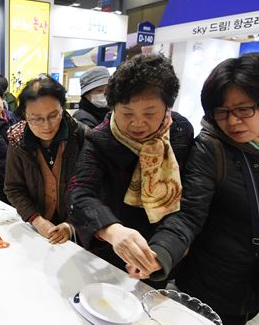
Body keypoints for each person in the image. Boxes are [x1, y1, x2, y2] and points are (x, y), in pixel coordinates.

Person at [145, 53, 259, 325]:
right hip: (212, 284)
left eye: (243, 109)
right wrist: (160, 253)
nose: (231, 121)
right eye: (221, 111)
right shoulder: (211, 148)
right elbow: (188, 214)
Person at [67, 54, 193, 279]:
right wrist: (112, 230)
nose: (137, 123)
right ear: (113, 106)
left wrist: (163, 249)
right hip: (112, 247)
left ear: (167, 107)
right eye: (127, 113)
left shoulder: (180, 132)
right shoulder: (100, 138)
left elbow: (189, 202)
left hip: (159, 247)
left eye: (149, 113)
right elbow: (79, 193)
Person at [5, 77, 86, 245]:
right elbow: (13, 188)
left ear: (62, 109)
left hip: (79, 227)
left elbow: (93, 188)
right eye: (36, 118)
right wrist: (36, 220)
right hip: (37, 229)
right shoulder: (17, 140)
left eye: (53, 115)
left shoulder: (80, 136)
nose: (47, 126)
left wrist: (70, 225)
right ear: (25, 115)